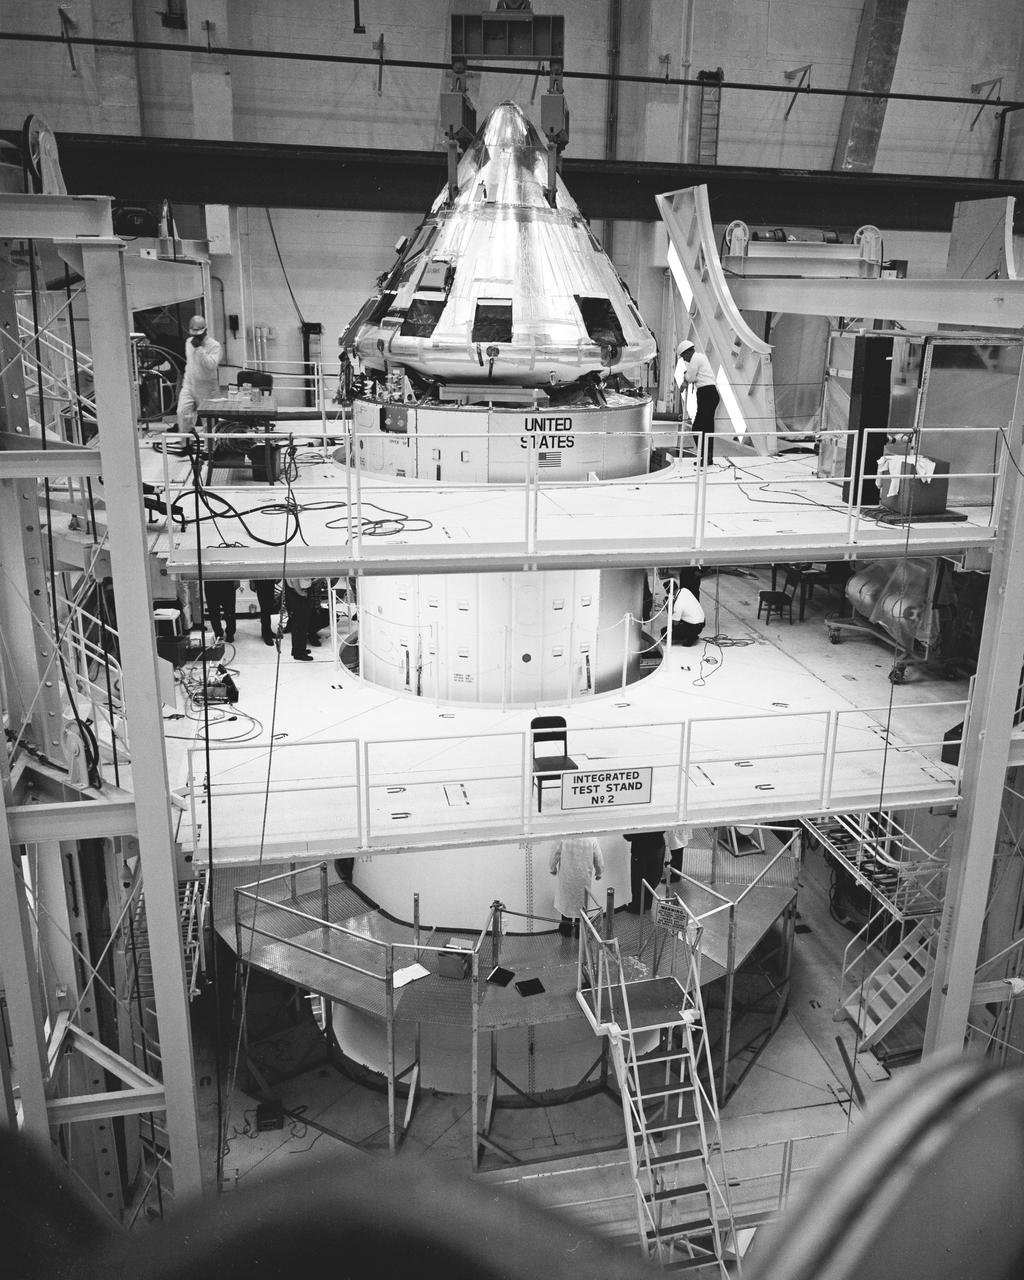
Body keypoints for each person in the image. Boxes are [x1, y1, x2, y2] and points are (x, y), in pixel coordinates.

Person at [674, 340, 720, 466]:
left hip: (706, 394)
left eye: (684, 356)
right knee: (707, 427)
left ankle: (705, 458)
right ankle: (707, 458)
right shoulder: (701, 358)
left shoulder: (695, 359)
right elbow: (692, 375)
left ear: (688, 352)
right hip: (709, 394)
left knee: (699, 427)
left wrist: (685, 381)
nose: (685, 360)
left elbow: (691, 377)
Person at [549, 835, 604, 938]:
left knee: (566, 903)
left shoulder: (563, 836)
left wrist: (552, 868)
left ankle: (566, 930)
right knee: (582, 905)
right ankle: (580, 931)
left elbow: (555, 853)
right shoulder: (591, 838)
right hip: (583, 878)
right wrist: (599, 872)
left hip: (567, 877)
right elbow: (598, 857)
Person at [176, 313, 222, 432]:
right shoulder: (188, 342)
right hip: (189, 385)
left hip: (207, 388)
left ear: (205, 331)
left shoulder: (214, 346)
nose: (196, 338)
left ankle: (210, 448)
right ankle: (186, 444)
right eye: (194, 335)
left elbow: (211, 365)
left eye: (199, 335)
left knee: (209, 421)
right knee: (182, 413)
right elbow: (190, 364)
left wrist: (200, 349)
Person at [624, 830, 666, 913]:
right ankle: (647, 903)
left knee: (638, 878)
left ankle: (637, 907)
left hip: (641, 849)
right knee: (653, 876)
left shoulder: (637, 819)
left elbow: (628, 836)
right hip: (658, 845)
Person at [284, 577, 316, 661]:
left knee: (301, 623)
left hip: (299, 591)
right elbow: (294, 579)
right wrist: (300, 592)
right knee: (300, 624)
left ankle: (299, 649)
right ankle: (298, 653)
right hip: (298, 593)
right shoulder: (295, 564)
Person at [670, 582, 706, 647]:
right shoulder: (684, 590)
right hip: (701, 622)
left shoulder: (678, 604)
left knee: (667, 631)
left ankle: (690, 637)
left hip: (695, 627)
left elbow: (675, 623)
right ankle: (692, 634)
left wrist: (670, 610)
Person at [204, 579, 238, 643]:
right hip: (210, 580)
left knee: (230, 610)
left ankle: (230, 633)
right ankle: (218, 633)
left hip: (227, 580)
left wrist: (237, 579)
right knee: (213, 611)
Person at [251, 578, 281, 646]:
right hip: (260, 580)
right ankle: (266, 635)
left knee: (269, 607)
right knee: (265, 608)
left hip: (269, 580)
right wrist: (252, 581)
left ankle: (268, 631)